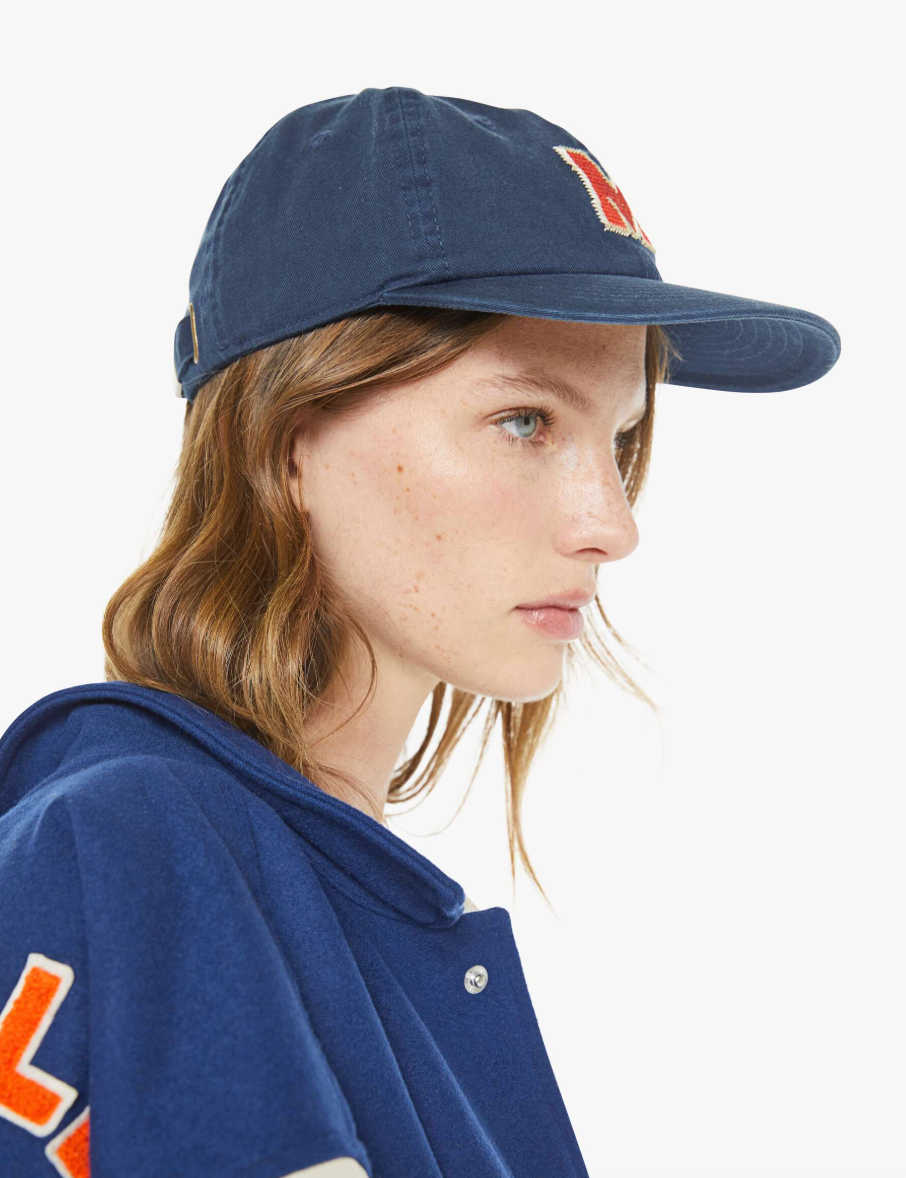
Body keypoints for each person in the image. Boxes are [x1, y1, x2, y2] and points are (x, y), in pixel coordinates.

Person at [0, 86, 840, 1177]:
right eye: (525, 420)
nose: (613, 524)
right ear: (288, 445)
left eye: (620, 440)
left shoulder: (309, 877)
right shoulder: (145, 843)